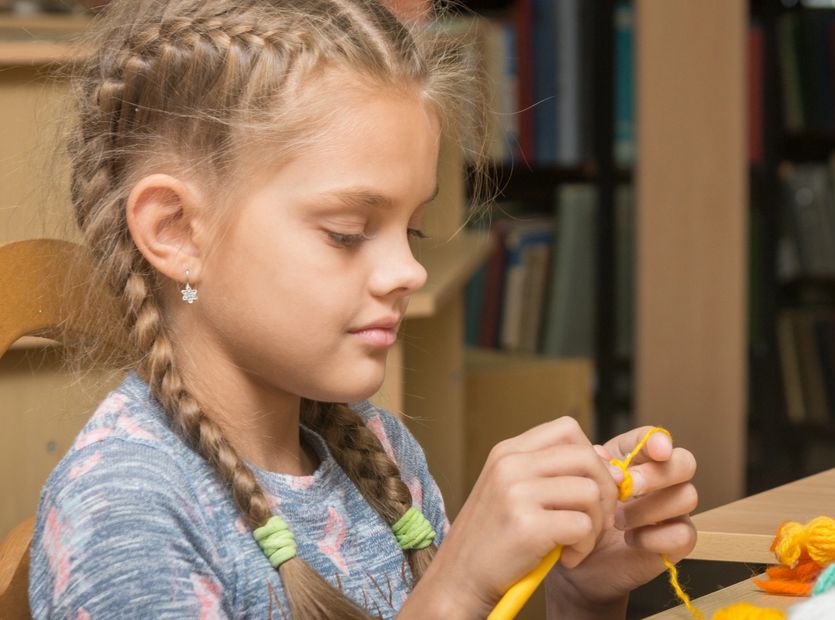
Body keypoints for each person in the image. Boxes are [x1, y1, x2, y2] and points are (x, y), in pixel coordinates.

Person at [28, 1, 698, 617]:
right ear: (175, 230)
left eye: (410, 230)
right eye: (347, 231)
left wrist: (579, 597)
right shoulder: (124, 510)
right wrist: (455, 587)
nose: (407, 272)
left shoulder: (376, 451)